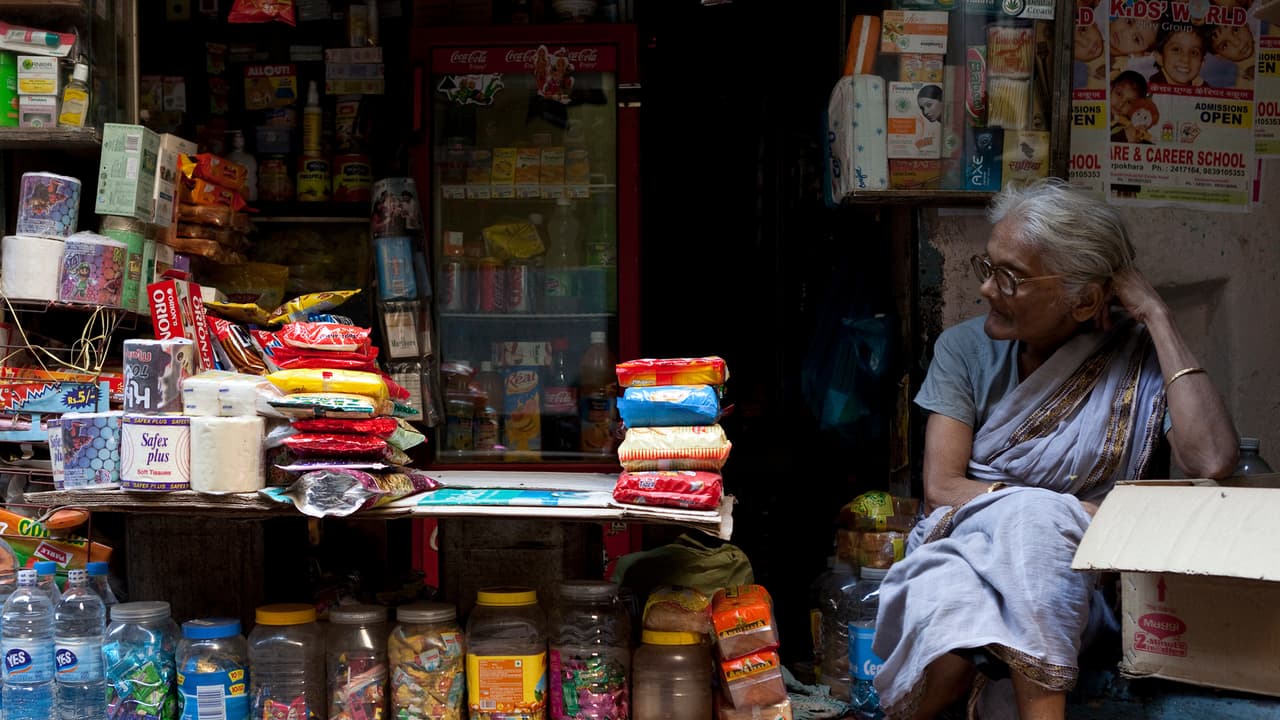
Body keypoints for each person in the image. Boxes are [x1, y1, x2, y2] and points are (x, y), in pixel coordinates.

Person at [872, 179, 1238, 720]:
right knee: (966, 588)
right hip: (964, 546)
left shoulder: (1136, 362)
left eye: (1011, 278)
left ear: (1085, 299)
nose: (987, 290)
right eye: (988, 267)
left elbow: (1211, 460)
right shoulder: (964, 350)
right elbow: (944, 489)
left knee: (1029, 542)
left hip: (1086, 583)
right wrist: (1061, 513)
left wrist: (1158, 315)